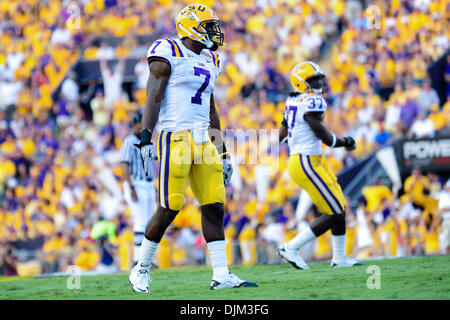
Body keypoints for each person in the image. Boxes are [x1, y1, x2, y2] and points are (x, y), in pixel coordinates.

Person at [129, 4, 257, 293]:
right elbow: (153, 96)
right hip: (175, 138)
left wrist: (222, 150)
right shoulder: (167, 51)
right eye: (208, 26)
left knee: (214, 206)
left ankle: (221, 275)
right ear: (190, 27)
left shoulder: (212, 58)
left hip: (204, 139)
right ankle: (141, 268)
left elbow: (212, 109)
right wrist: (146, 139)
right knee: (169, 208)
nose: (214, 32)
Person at [277, 61, 362, 269]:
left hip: (310, 160)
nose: (318, 83)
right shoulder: (311, 102)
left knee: (339, 207)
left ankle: (340, 259)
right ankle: (291, 247)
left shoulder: (293, 100)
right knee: (333, 212)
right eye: (313, 80)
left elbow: (281, 136)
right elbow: (325, 136)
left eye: (319, 79)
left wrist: (295, 136)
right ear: (300, 83)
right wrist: (345, 142)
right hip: (306, 161)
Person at [120, 110, 156, 266]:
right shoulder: (129, 141)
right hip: (136, 184)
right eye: (141, 123)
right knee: (140, 222)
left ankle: (145, 260)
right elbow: (124, 164)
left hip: (148, 184)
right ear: (135, 124)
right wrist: (131, 187)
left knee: (148, 223)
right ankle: (137, 260)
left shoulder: (147, 140)